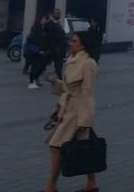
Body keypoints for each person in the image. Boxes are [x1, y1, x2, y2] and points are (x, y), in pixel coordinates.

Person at [43, 32, 100, 192]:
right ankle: (92, 184)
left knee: (56, 146)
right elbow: (69, 88)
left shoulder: (88, 63)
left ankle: (51, 187)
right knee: (85, 146)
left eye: (74, 41)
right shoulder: (71, 60)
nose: (70, 43)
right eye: (71, 40)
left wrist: (85, 121)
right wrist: (55, 82)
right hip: (67, 109)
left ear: (83, 45)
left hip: (77, 112)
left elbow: (87, 93)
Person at [44, 9, 69, 79]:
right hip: (54, 49)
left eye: (59, 13)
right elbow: (48, 37)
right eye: (56, 13)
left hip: (59, 49)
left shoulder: (58, 23)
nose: (58, 15)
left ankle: (59, 79)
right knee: (54, 65)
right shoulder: (49, 24)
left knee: (58, 66)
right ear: (53, 14)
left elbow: (62, 36)